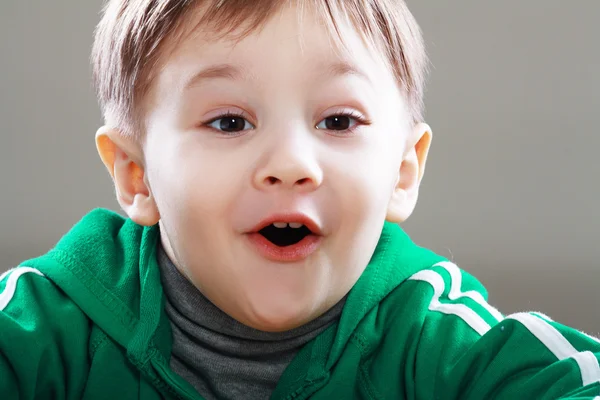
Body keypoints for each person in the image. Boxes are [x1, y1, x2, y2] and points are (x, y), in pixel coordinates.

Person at [1, 1, 599, 399]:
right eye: (229, 123)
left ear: (402, 170)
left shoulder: (436, 337)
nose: (290, 164)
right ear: (137, 175)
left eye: (338, 120)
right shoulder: (47, 324)